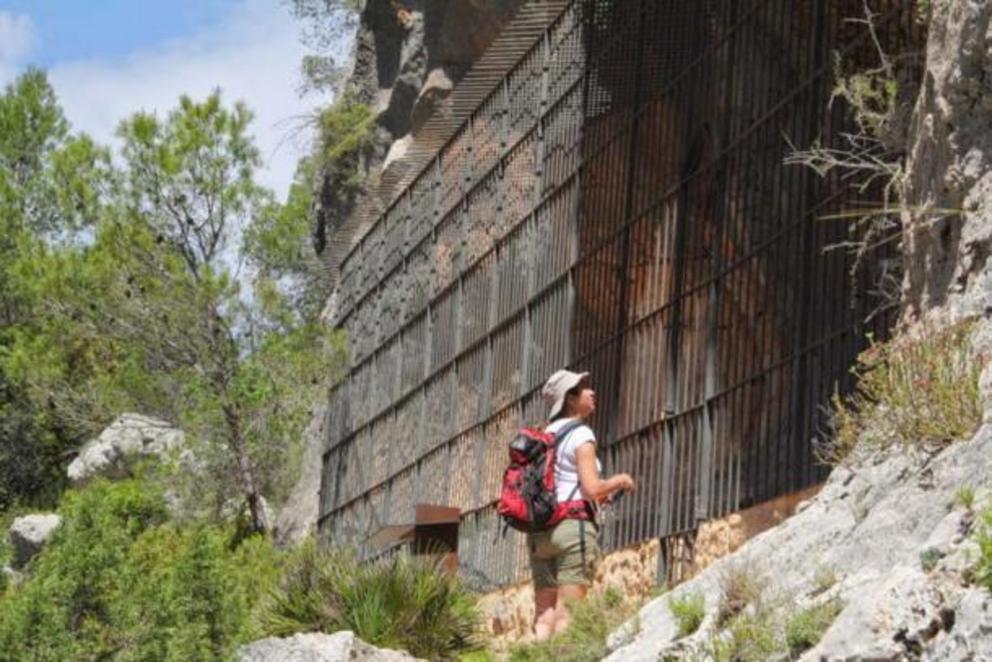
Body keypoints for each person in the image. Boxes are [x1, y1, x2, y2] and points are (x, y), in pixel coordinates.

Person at [528, 369, 636, 640]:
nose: (592, 392)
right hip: (572, 529)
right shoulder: (581, 435)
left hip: (539, 532)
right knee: (569, 613)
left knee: (544, 615)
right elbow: (591, 488)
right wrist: (620, 481)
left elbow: (560, 483)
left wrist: (600, 494)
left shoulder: (542, 436)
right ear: (570, 399)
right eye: (584, 388)